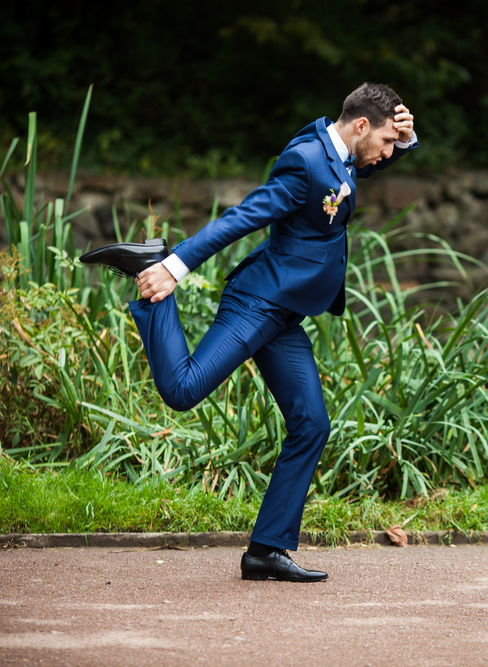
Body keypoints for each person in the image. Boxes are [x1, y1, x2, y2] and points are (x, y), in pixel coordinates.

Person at [80, 83, 418, 582]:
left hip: (283, 315)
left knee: (311, 424)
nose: (388, 154)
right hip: (257, 304)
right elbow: (243, 217)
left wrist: (406, 138)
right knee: (182, 389)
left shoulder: (342, 151)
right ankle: (152, 279)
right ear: (362, 126)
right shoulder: (305, 160)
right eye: (388, 141)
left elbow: (364, 165)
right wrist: (175, 266)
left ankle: (266, 551)